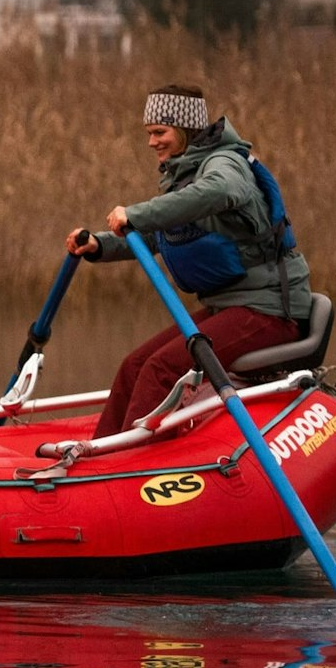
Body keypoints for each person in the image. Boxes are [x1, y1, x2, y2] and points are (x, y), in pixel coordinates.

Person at [67, 84, 311, 439]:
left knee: (161, 370)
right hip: (230, 307)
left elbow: (220, 192)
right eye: (149, 134)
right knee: (133, 366)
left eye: (159, 132)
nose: (152, 142)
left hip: (270, 310)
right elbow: (156, 235)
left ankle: (136, 466)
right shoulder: (187, 174)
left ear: (185, 130)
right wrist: (98, 247)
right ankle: (100, 461)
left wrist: (135, 213)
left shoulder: (224, 165)